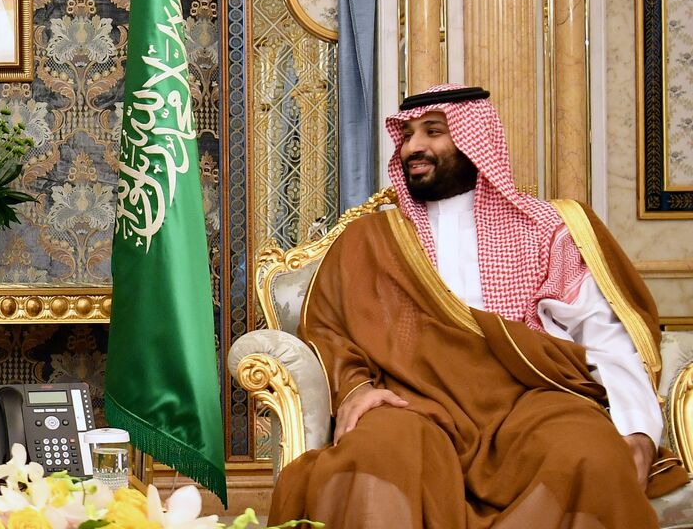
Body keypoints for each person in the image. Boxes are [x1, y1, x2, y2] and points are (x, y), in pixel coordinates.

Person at [269, 84, 689, 528]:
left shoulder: (545, 228)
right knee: (376, 456)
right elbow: (329, 330)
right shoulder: (370, 240)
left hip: (532, 400)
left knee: (590, 455)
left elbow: (604, 334)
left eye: (433, 131)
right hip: (413, 403)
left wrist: (638, 429)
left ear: (477, 138)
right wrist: (357, 389)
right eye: (407, 134)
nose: (415, 146)